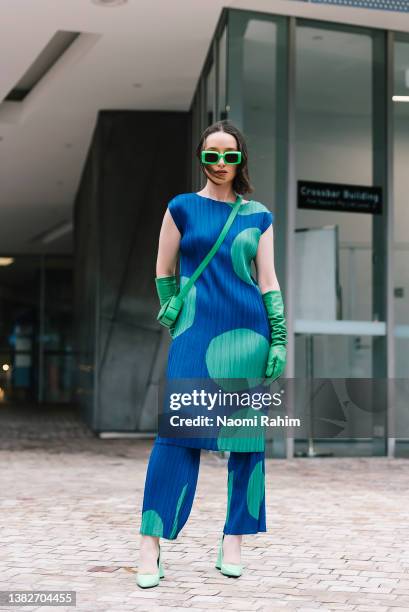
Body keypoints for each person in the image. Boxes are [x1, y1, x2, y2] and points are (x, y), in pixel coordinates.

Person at [136, 119, 288, 588]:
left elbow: (267, 279)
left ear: (241, 159)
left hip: (249, 333)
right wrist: (174, 315)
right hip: (195, 333)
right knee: (175, 437)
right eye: (211, 155)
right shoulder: (181, 207)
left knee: (245, 445)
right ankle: (149, 545)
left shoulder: (258, 215)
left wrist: (279, 335)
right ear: (201, 158)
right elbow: (164, 270)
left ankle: (233, 540)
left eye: (229, 155)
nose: (220, 163)